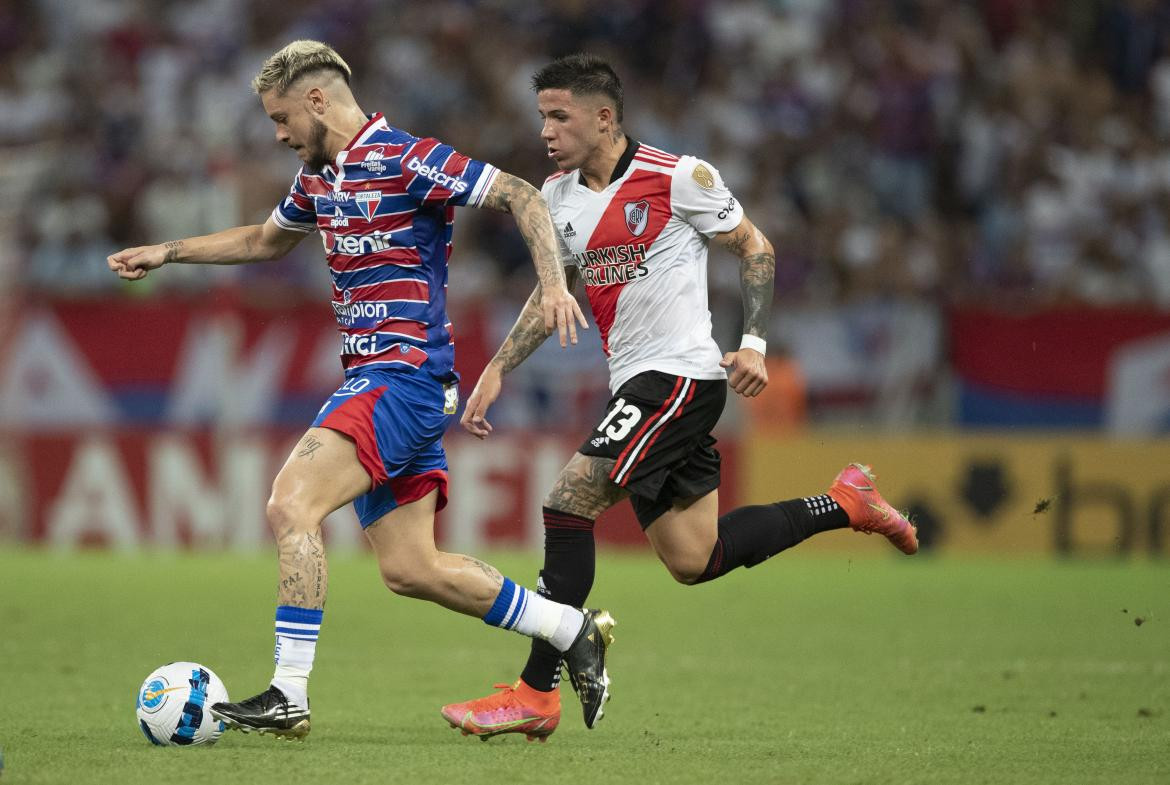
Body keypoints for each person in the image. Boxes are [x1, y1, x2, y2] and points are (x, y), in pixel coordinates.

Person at [106, 40, 615, 741]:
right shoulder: (319, 178)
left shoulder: (410, 158)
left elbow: (521, 194)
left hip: (401, 379)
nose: (279, 135)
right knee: (411, 568)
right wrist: (170, 251)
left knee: (291, 504)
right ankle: (570, 627)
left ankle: (289, 692)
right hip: (389, 384)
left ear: (318, 100)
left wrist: (555, 284)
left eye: (282, 118)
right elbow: (264, 241)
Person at [440, 54, 918, 742]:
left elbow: (756, 247)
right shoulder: (557, 197)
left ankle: (535, 691)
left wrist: (754, 341)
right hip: (638, 382)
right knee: (694, 557)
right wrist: (496, 368)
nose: (545, 130)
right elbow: (555, 296)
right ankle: (846, 502)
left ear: (603, 117)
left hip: (679, 378)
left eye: (559, 116)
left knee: (566, 500)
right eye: (541, 115)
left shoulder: (678, 177)